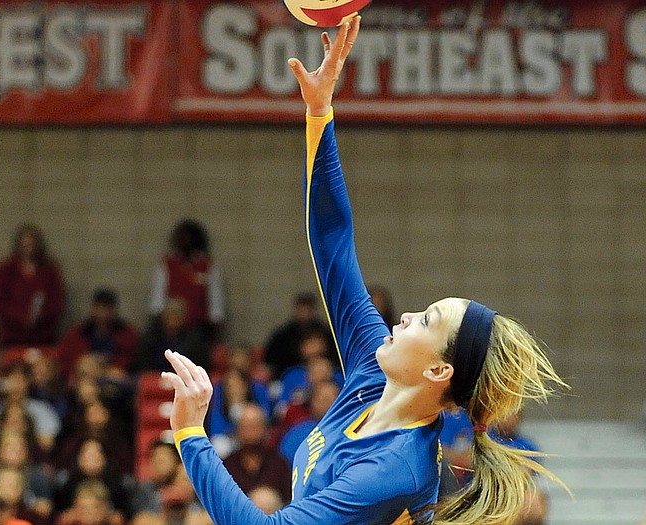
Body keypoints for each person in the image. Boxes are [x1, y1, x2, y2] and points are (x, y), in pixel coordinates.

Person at [162, 18, 567, 525]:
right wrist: (319, 113)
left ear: (438, 371)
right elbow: (333, 244)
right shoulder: (373, 373)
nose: (406, 316)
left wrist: (190, 436)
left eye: (427, 321)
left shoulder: (394, 467)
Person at [0, 223, 65, 347]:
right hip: (13, 336)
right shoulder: (6, 269)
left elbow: (57, 301)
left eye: (31, 244)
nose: (28, 248)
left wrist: (39, 318)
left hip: (43, 335)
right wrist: (21, 318)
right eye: (24, 244)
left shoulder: (49, 270)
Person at [148, 219, 225, 336]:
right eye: (181, 237)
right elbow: (157, 302)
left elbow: (216, 302)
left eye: (188, 237)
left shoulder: (206, 266)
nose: (184, 241)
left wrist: (214, 325)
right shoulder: (167, 264)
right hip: (170, 328)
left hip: (198, 328)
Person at [58, 288, 140, 381]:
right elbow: (65, 360)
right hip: (82, 379)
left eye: (106, 310)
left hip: (114, 381)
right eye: (99, 309)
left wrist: (105, 371)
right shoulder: (78, 333)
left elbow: (131, 363)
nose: (102, 315)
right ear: (93, 309)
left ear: (114, 311)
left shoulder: (127, 335)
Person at [221, 403, 292, 504]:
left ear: (265, 429)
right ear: (237, 430)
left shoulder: (279, 465)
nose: (250, 432)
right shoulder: (226, 467)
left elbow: (289, 503)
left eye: (255, 426)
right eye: (246, 427)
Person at [263, 293, 335, 380]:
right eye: (302, 310)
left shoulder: (328, 335)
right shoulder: (282, 337)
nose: (305, 315)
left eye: (308, 310)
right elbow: (271, 364)